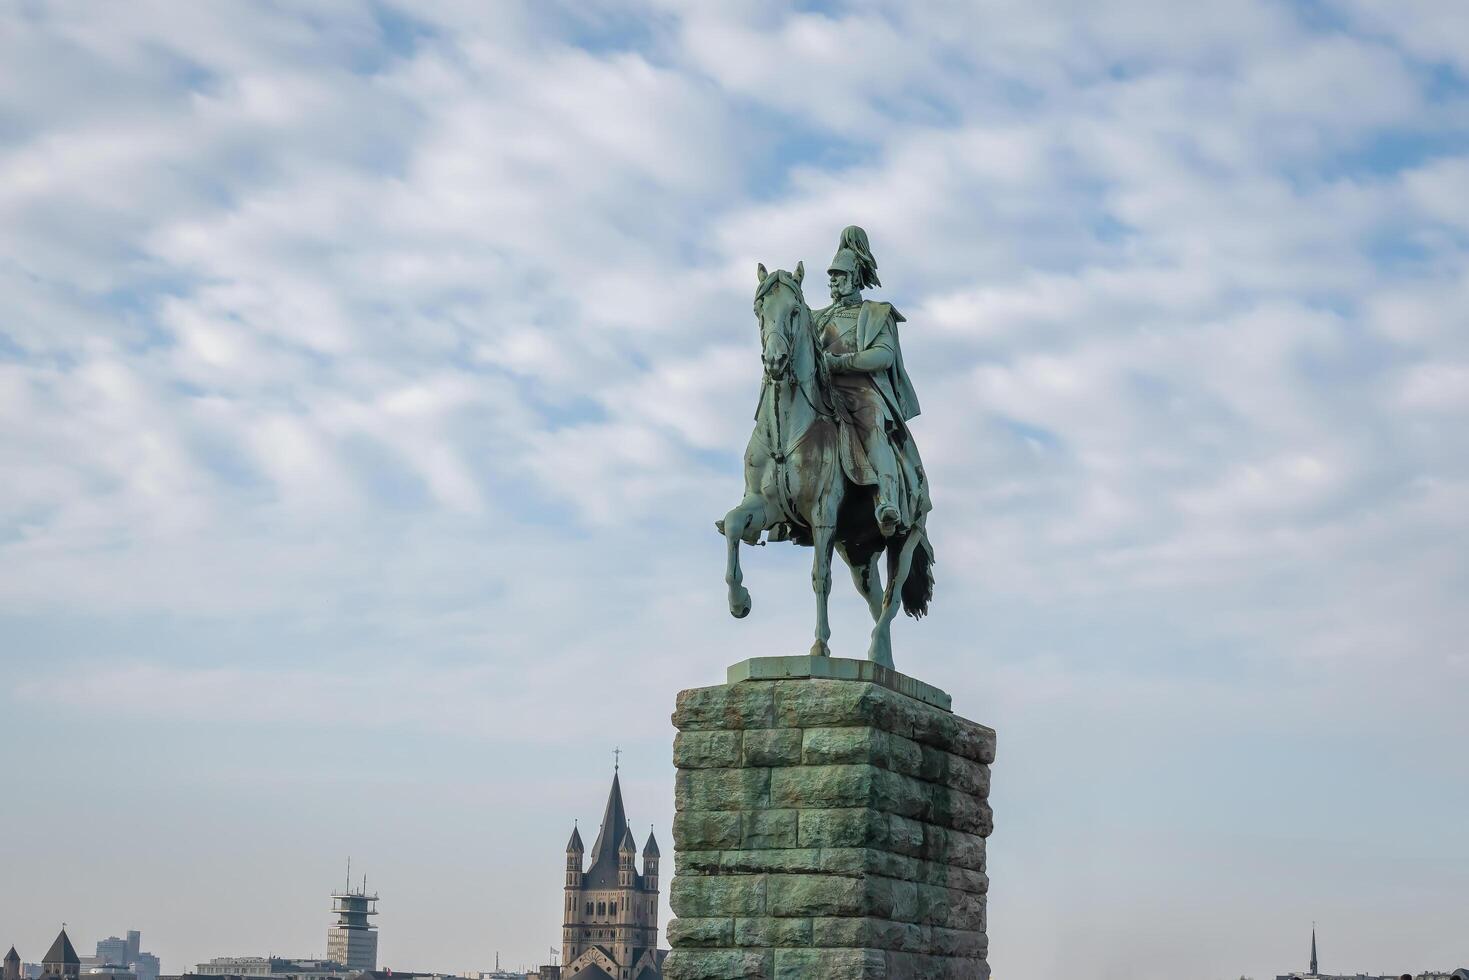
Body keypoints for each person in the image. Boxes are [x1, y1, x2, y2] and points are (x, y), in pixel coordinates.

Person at [813, 225, 927, 536]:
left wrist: (840, 362)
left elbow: (883, 355)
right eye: (831, 274)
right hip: (822, 392)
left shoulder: (876, 313)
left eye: (838, 274)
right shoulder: (817, 317)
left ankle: (887, 500)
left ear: (854, 276)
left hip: (861, 391)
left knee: (874, 423)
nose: (833, 280)